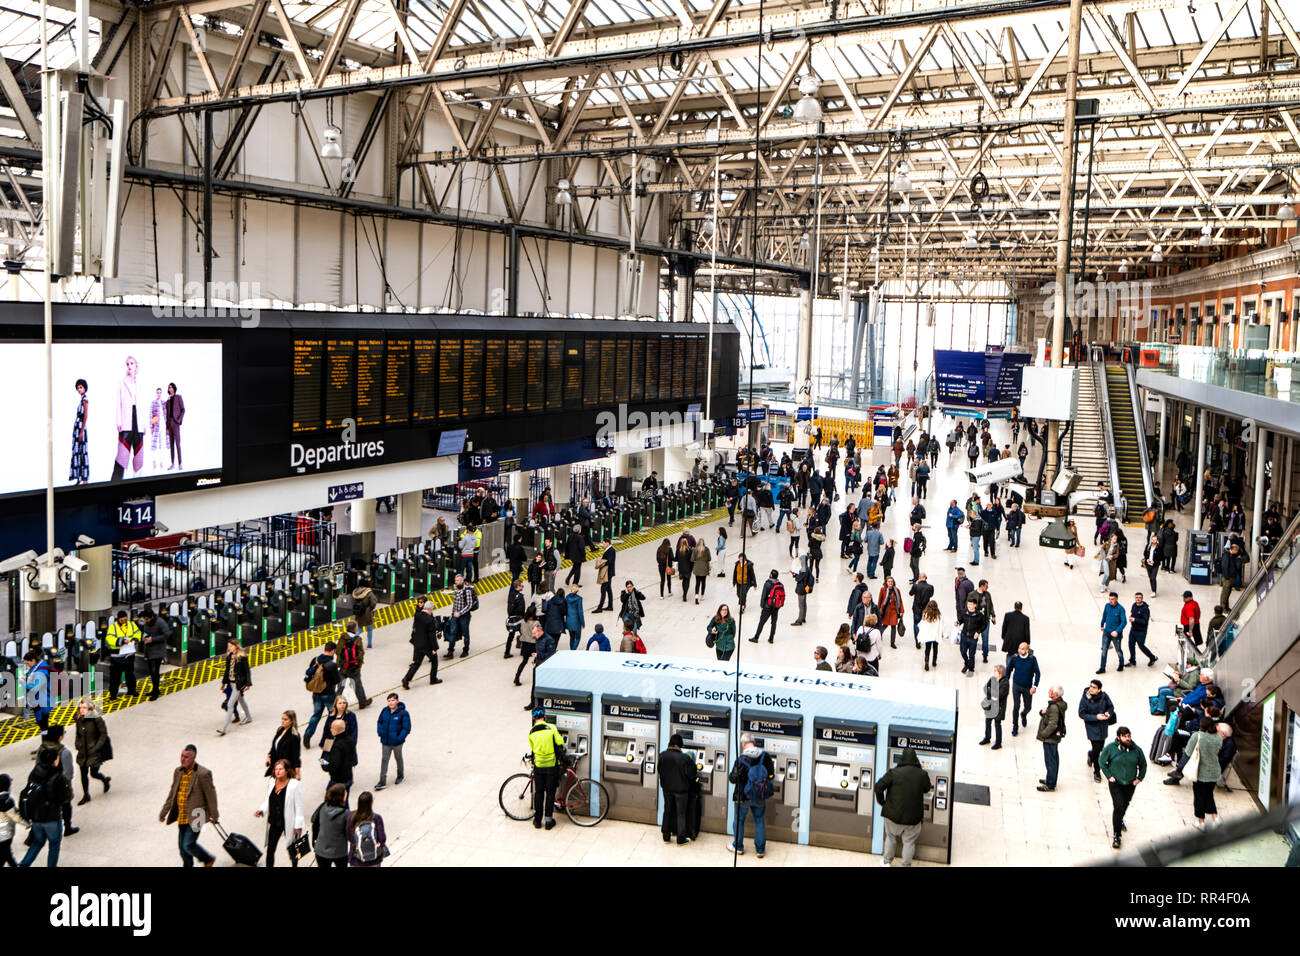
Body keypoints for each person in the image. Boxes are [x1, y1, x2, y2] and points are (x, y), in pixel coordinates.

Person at [159, 744, 218, 866]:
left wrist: (214, 815)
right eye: (181, 756)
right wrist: (164, 812)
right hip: (182, 815)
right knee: (182, 848)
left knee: (188, 844)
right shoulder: (178, 771)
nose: (182, 759)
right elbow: (172, 793)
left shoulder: (203, 773)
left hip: (198, 815)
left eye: (186, 757)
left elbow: (211, 795)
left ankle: (207, 859)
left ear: (194, 757)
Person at [874, 746, 932, 867]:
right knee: (909, 842)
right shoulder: (922, 774)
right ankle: (905, 865)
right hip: (912, 819)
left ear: (901, 759)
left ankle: (886, 862)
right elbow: (927, 789)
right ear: (916, 760)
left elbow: (878, 787)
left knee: (890, 838)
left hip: (892, 815)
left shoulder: (893, 773)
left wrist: (881, 801)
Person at [17, 748, 68, 867]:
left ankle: (23, 865)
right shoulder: (57, 776)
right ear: (55, 760)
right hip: (51, 818)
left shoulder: (34, 772)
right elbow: (63, 798)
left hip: (35, 817)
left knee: (37, 842)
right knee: (54, 844)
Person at [728, 732, 775, 858]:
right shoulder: (765, 756)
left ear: (743, 744)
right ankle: (760, 850)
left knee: (739, 820)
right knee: (759, 820)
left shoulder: (741, 760)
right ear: (753, 742)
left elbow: (733, 778)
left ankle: (738, 847)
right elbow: (771, 775)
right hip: (759, 795)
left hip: (743, 796)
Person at [1097, 727, 1146, 849]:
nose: (1128, 738)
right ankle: (1116, 835)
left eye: (1129, 736)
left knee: (1125, 804)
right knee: (1118, 806)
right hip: (1116, 783)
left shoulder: (1137, 750)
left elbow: (1143, 764)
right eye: (1124, 736)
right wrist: (1109, 776)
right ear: (1118, 737)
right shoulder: (1110, 748)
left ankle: (1120, 820)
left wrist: (1139, 778)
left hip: (1130, 783)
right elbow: (1102, 761)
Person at [253, 759, 304, 867]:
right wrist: (261, 810)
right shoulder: (272, 782)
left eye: (280, 769)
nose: (277, 771)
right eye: (276, 769)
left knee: (293, 849)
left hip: (288, 821)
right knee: (270, 850)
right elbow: (269, 800)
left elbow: (299, 807)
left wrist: (298, 825)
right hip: (275, 821)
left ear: (287, 770)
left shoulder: (294, 785)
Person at [528, 708, 568, 830]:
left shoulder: (531, 732)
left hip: (539, 765)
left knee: (539, 793)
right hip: (552, 765)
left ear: (534, 718)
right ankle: (549, 821)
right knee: (550, 793)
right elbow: (560, 742)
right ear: (544, 717)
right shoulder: (551, 728)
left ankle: (537, 821)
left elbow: (533, 749)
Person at [35, 725, 78, 838]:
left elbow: (37, 766)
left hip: (44, 783)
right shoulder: (64, 752)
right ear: (60, 737)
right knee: (66, 805)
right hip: (60, 785)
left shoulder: (41, 748)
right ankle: (67, 827)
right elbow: (69, 773)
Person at [659, 734, 700, 846]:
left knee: (667, 810)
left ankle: (666, 835)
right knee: (681, 813)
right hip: (681, 791)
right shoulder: (684, 758)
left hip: (666, 789)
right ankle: (680, 838)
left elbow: (659, 770)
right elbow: (692, 774)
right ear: (679, 744)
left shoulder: (662, 755)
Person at [73, 699, 111, 805]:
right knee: (83, 774)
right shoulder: (78, 719)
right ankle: (86, 795)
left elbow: (103, 734)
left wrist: (97, 747)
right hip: (82, 751)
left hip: (94, 752)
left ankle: (104, 780)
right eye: (80, 708)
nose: (82, 710)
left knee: (93, 773)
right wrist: (77, 744)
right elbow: (78, 733)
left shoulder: (96, 719)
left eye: (84, 708)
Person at [302, 642, 340, 748]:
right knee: (333, 714)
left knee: (316, 715)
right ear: (332, 651)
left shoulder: (315, 660)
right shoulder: (331, 665)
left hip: (316, 693)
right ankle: (331, 734)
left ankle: (308, 734)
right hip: (329, 694)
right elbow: (336, 680)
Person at [1187, 718, 1223, 828]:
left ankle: (1200, 821)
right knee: (1209, 794)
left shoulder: (1197, 736)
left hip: (1200, 772)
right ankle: (1215, 817)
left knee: (1199, 796)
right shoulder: (1218, 737)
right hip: (1214, 771)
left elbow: (1188, 752)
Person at [1079, 679, 1117, 783]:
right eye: (1090, 686)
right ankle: (1097, 771)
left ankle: (1090, 754)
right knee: (1097, 749)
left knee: (1100, 748)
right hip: (1092, 727)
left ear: (1099, 690)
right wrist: (1096, 717)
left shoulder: (1104, 696)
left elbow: (1111, 706)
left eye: (1094, 687)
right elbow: (1082, 714)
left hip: (1103, 726)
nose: (1091, 689)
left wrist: (1108, 713)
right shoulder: (1085, 698)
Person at [403, 594, 442, 689]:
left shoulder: (417, 615)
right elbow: (431, 635)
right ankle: (433, 679)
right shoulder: (430, 620)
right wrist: (434, 648)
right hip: (427, 645)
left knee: (416, 663)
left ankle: (406, 679)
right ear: (430, 609)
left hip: (417, 644)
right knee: (434, 661)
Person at [375, 693, 411, 791]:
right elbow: (379, 721)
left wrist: (399, 738)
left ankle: (400, 776)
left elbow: (406, 728)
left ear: (397, 701)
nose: (391, 702)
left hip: (397, 742)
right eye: (389, 700)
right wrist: (380, 732)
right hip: (385, 741)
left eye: (393, 700)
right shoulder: (384, 711)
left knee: (398, 758)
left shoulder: (403, 713)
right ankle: (382, 781)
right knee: (384, 760)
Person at [217, 638, 253, 736]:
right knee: (241, 700)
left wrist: (248, 683)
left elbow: (247, 671)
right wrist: (224, 683)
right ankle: (249, 718)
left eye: (231, 646)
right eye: (228, 646)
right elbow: (227, 671)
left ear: (236, 646)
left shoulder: (242, 657)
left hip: (238, 684)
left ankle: (223, 728)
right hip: (232, 683)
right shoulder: (229, 656)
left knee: (230, 705)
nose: (229, 648)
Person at [104, 609, 142, 701]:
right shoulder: (113, 627)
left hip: (129, 654)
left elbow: (138, 633)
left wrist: (135, 639)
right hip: (117, 656)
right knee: (115, 677)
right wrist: (120, 641)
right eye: (122, 620)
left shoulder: (131, 624)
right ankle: (113, 694)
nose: (124, 621)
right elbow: (109, 638)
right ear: (118, 619)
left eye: (125, 620)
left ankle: (132, 690)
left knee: (130, 674)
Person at [311, 783, 350, 867]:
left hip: (321, 850)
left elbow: (315, 825)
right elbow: (348, 833)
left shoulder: (322, 807)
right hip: (339, 852)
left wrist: (314, 842)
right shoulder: (345, 814)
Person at [138, 607, 171, 701]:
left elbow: (167, 634)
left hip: (158, 651)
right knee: (152, 672)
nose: (145, 621)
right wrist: (144, 637)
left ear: (152, 617)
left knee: (155, 671)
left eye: (147, 619)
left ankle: (156, 692)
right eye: (144, 619)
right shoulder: (147, 623)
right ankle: (154, 689)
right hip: (149, 650)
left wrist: (153, 639)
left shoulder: (160, 622)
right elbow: (145, 631)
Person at [323, 717, 357, 803]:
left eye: (331, 728)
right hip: (348, 776)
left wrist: (324, 764)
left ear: (336, 730)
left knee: (331, 799)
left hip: (338, 780)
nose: (330, 729)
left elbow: (334, 765)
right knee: (344, 800)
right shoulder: (350, 740)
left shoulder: (337, 746)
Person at [337, 623, 371, 709]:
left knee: (340, 686)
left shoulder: (342, 638)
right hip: (354, 667)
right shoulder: (358, 639)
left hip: (343, 667)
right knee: (358, 685)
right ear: (355, 629)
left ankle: (335, 704)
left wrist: (340, 663)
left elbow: (338, 651)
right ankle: (362, 702)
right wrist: (358, 665)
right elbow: (361, 653)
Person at [445, 573, 477, 659]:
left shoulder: (467, 591)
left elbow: (469, 605)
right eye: (455, 580)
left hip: (464, 616)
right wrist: (452, 614)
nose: (456, 582)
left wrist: (460, 613)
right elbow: (455, 603)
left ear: (462, 581)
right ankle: (450, 651)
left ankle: (466, 650)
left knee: (465, 633)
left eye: (458, 581)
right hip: (455, 615)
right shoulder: (456, 589)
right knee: (452, 632)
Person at [748, 570, 785, 644]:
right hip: (776, 607)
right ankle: (771, 638)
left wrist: (762, 605)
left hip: (767, 606)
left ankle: (756, 637)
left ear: (771, 575)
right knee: (774, 623)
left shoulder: (767, 583)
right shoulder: (780, 584)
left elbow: (763, 595)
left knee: (762, 622)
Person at [980, 664, 1010, 749]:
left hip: (999, 708)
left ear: (1000, 673)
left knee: (997, 724)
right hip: (991, 706)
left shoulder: (1005, 682)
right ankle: (987, 737)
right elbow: (985, 688)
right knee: (988, 722)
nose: (993, 672)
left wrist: (992, 692)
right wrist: (993, 694)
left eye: (995, 671)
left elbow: (1000, 695)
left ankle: (998, 742)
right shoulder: (992, 679)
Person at [266, 710, 301, 778]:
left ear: (292, 721)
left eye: (285, 719)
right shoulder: (280, 729)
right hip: (276, 767)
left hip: (286, 769)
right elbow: (274, 746)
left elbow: (296, 756)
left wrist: (297, 773)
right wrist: (269, 756)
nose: (283, 721)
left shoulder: (294, 736)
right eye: (282, 719)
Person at [1098, 592, 1127, 674]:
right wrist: (1102, 624)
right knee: (1104, 649)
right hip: (1106, 632)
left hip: (1116, 634)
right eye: (1110, 599)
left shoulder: (1121, 609)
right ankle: (1102, 667)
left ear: (1116, 599)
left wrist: (1117, 631)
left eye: (1112, 599)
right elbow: (1104, 615)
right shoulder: (1107, 606)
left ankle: (1121, 664)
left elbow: (1124, 622)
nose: (1111, 601)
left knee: (1118, 650)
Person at [1127, 592, 1157, 667]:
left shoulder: (1145, 609)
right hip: (1133, 629)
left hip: (1141, 631)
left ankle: (1152, 657)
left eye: (1139, 597)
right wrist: (1131, 618)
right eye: (1136, 597)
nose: (1138, 599)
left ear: (1142, 598)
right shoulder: (1134, 605)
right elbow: (1132, 614)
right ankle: (1132, 660)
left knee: (1141, 646)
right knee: (1131, 644)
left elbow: (1145, 621)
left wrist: (1135, 620)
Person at [959, 596, 985, 676]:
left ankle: (971, 669)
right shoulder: (964, 612)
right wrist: (958, 622)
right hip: (964, 636)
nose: (969, 606)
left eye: (970, 605)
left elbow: (984, 625)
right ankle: (966, 663)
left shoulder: (979, 615)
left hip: (973, 638)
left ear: (975, 605)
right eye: (968, 604)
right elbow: (961, 620)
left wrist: (978, 632)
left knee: (971, 654)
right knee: (963, 652)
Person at [877, 576, 904, 649]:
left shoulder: (897, 590)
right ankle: (878, 638)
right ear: (886, 582)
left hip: (894, 611)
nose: (890, 583)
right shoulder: (883, 589)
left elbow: (900, 600)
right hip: (885, 610)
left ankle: (892, 643)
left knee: (893, 626)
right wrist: (878, 610)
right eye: (889, 581)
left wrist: (902, 610)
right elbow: (880, 600)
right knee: (884, 625)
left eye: (891, 581)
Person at [916, 600, 942, 672]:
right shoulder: (938, 615)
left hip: (928, 636)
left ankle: (926, 662)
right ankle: (934, 662)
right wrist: (941, 634)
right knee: (935, 649)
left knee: (927, 649)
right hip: (935, 635)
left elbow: (922, 624)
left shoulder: (925, 614)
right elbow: (941, 625)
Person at [351, 584, 378, 649]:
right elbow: (373, 603)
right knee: (369, 630)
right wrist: (370, 609)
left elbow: (353, 602)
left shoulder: (355, 592)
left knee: (359, 628)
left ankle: (352, 641)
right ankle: (369, 645)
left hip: (358, 613)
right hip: (367, 614)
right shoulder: (369, 593)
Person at [593, 542, 616, 612]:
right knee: (608, 589)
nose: (603, 545)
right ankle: (610, 606)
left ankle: (600, 607)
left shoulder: (611, 550)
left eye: (604, 543)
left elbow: (610, 561)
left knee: (603, 589)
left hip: (607, 573)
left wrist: (601, 563)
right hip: (609, 573)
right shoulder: (610, 550)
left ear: (607, 543)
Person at [790, 560, 814, 626]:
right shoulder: (807, 568)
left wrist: (795, 576)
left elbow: (798, 579)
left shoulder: (803, 569)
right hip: (805, 588)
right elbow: (803, 577)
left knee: (801, 605)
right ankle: (803, 617)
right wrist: (796, 575)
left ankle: (799, 620)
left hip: (801, 589)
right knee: (804, 604)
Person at [565, 584, 586, 650]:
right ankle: (573, 651)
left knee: (572, 638)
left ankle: (572, 650)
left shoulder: (567, 597)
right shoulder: (579, 599)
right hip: (576, 621)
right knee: (578, 638)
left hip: (569, 620)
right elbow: (580, 612)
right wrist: (582, 623)